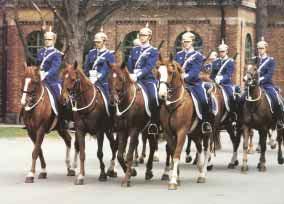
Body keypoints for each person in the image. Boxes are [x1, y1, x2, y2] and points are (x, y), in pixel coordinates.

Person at [175, 31, 212, 133]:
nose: (185, 43)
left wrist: (186, 76)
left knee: (203, 99)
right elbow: (174, 68)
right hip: (180, 84)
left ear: (192, 42)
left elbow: (195, 71)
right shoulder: (178, 55)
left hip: (193, 83)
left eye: (188, 42)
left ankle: (205, 122)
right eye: (184, 42)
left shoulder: (197, 56)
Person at [127, 23, 159, 133]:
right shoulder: (134, 50)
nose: (142, 37)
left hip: (147, 80)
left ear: (149, 37)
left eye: (144, 35)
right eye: (140, 35)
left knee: (154, 98)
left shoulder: (153, 51)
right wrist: (130, 74)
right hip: (133, 79)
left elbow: (149, 67)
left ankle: (154, 123)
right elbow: (129, 64)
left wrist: (137, 75)